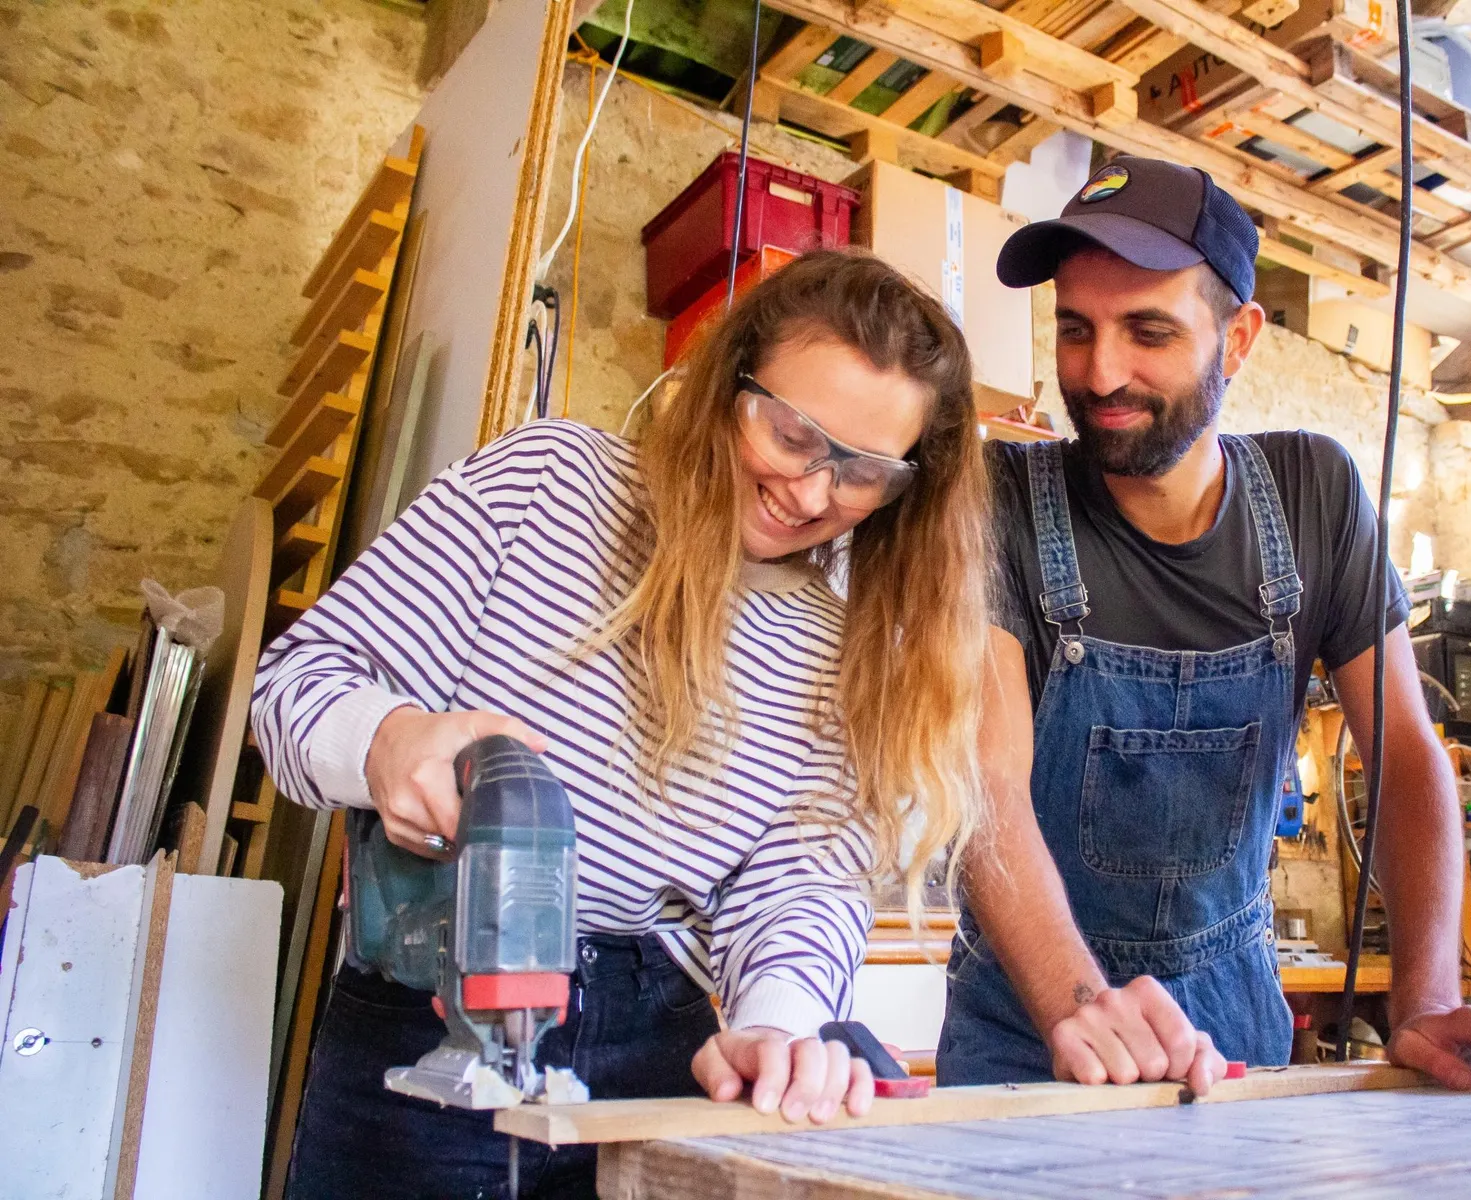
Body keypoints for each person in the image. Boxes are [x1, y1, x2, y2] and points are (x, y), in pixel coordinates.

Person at [254, 249, 993, 1199]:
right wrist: (383, 738)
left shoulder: (842, 639)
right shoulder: (548, 485)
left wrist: (775, 1024)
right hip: (430, 1020)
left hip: (651, 1041)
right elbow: (298, 684)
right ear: (733, 382)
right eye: (792, 433)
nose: (812, 493)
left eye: (861, 472)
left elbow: (799, 881)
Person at [937, 156, 1471, 1096]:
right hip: (1030, 1024)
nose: (1099, 371)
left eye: (1147, 331)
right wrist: (1079, 1007)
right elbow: (987, 784)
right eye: (1074, 330)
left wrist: (1424, 1001)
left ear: (1238, 339)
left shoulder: (1314, 495)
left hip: (1232, 1024)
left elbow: (1404, 755)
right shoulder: (998, 500)